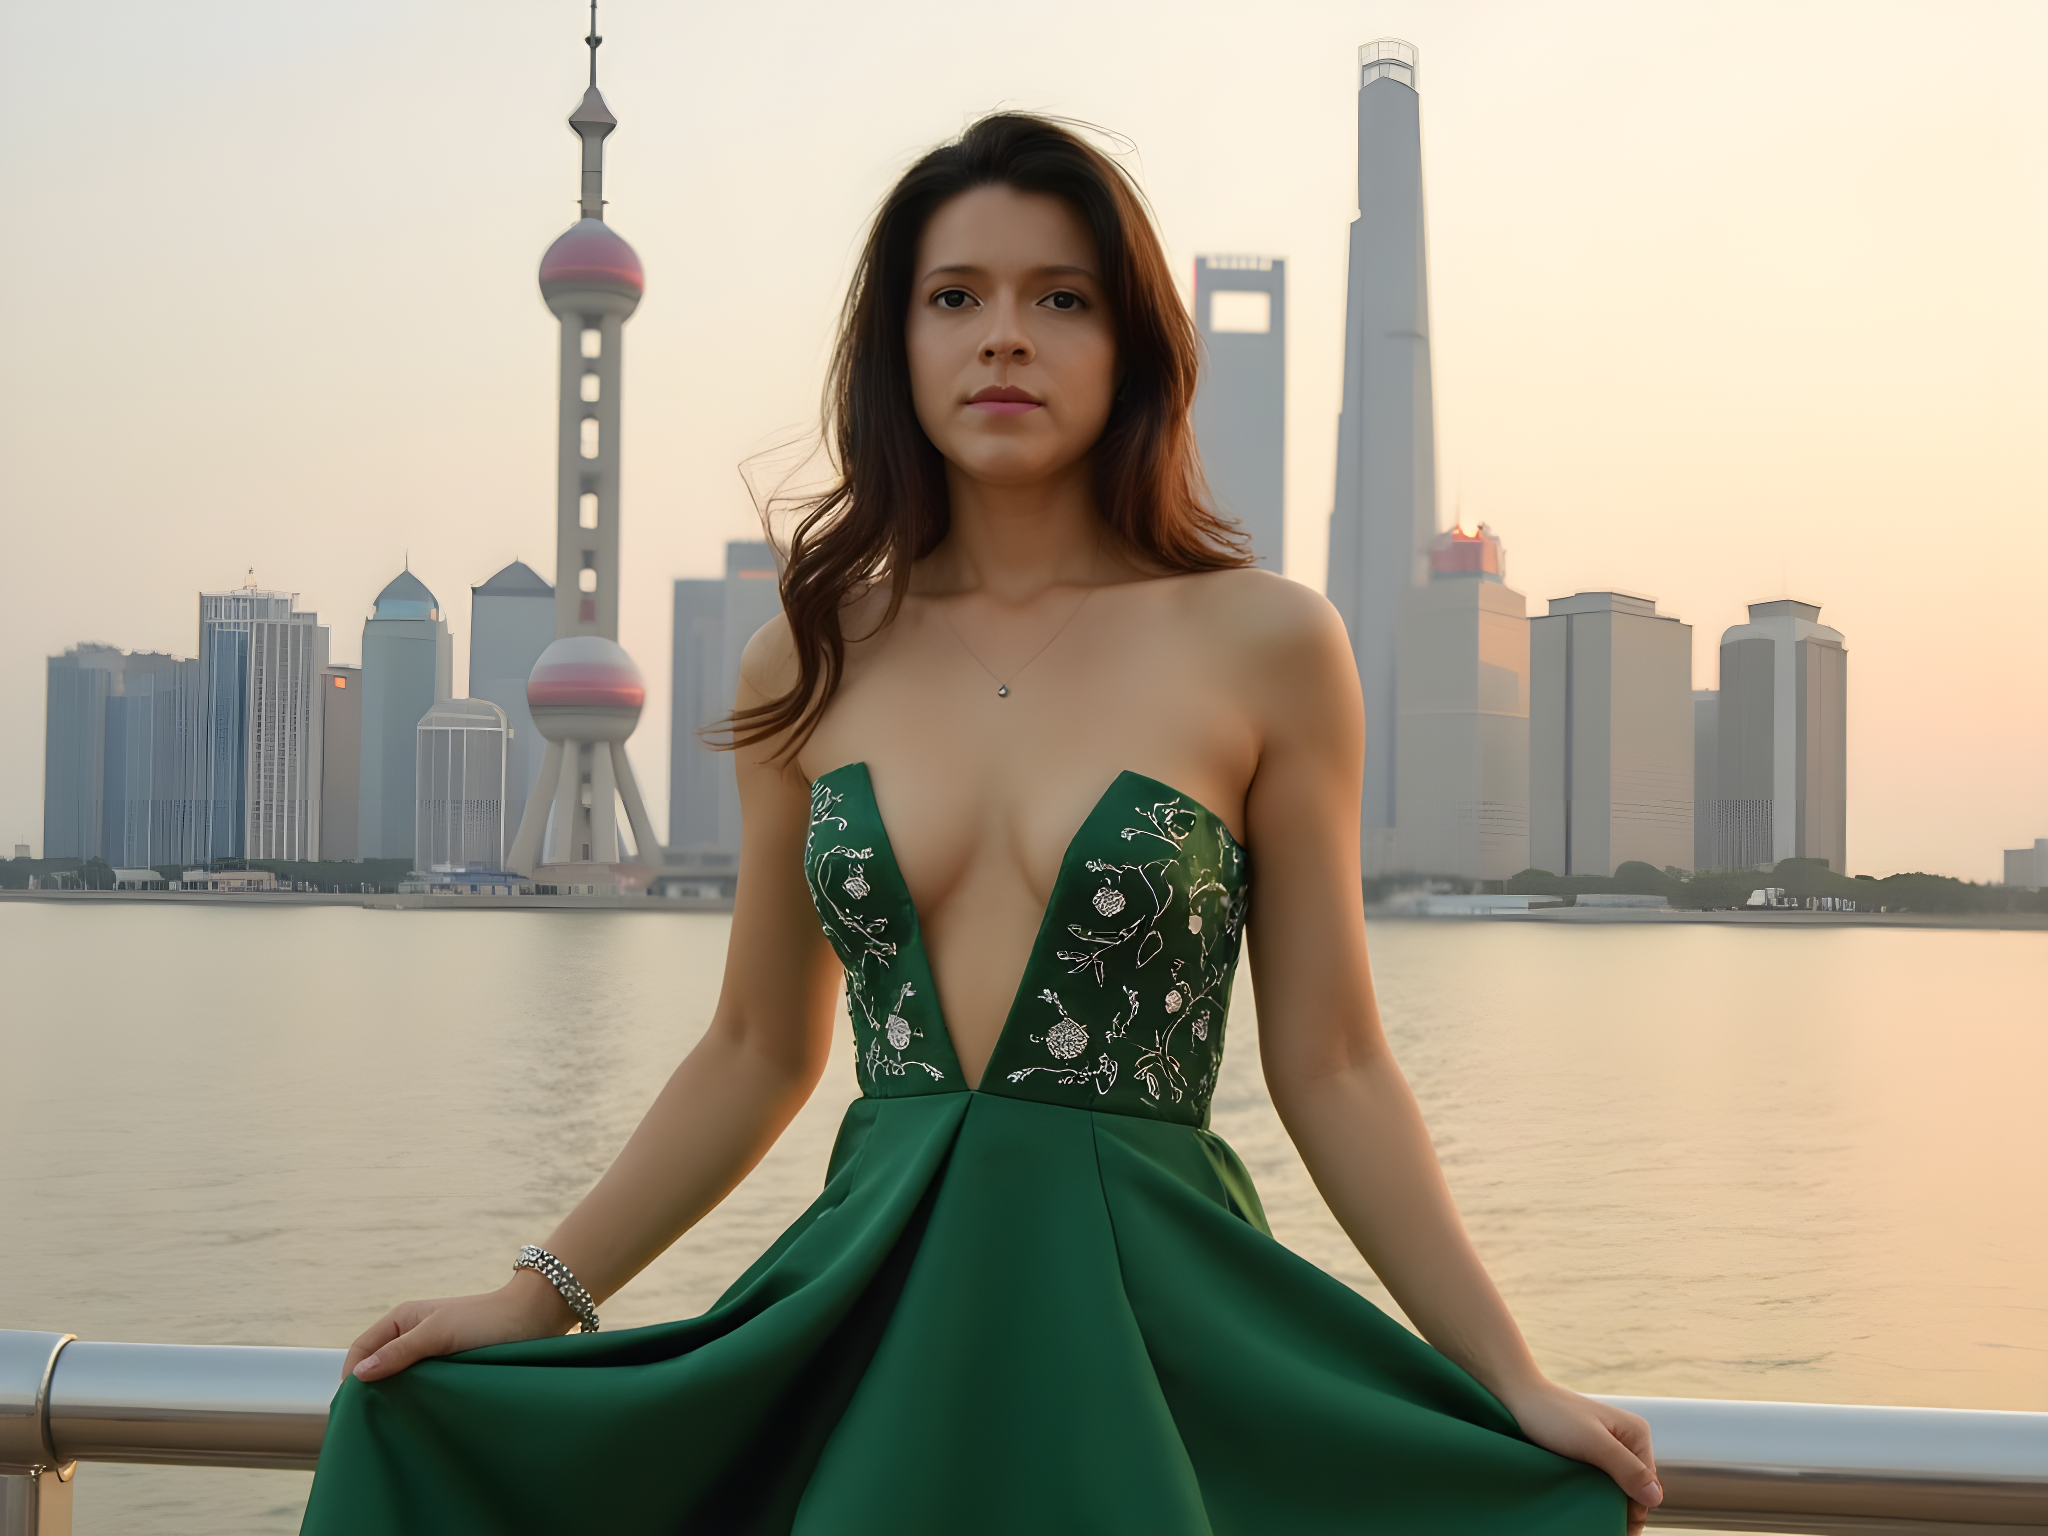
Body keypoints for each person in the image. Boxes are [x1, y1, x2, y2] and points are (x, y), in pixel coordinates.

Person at [303, 113, 1661, 1535]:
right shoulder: (805, 657)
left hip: (1151, 1325)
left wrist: (1509, 1374)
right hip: (869, 1308)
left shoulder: (1268, 643)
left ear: (1130, 348)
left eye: (1059, 300)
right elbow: (760, 1046)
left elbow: (1330, 1061)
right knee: (419, 1437)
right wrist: (537, 1294)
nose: (1002, 338)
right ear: (898, 347)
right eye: (955, 298)